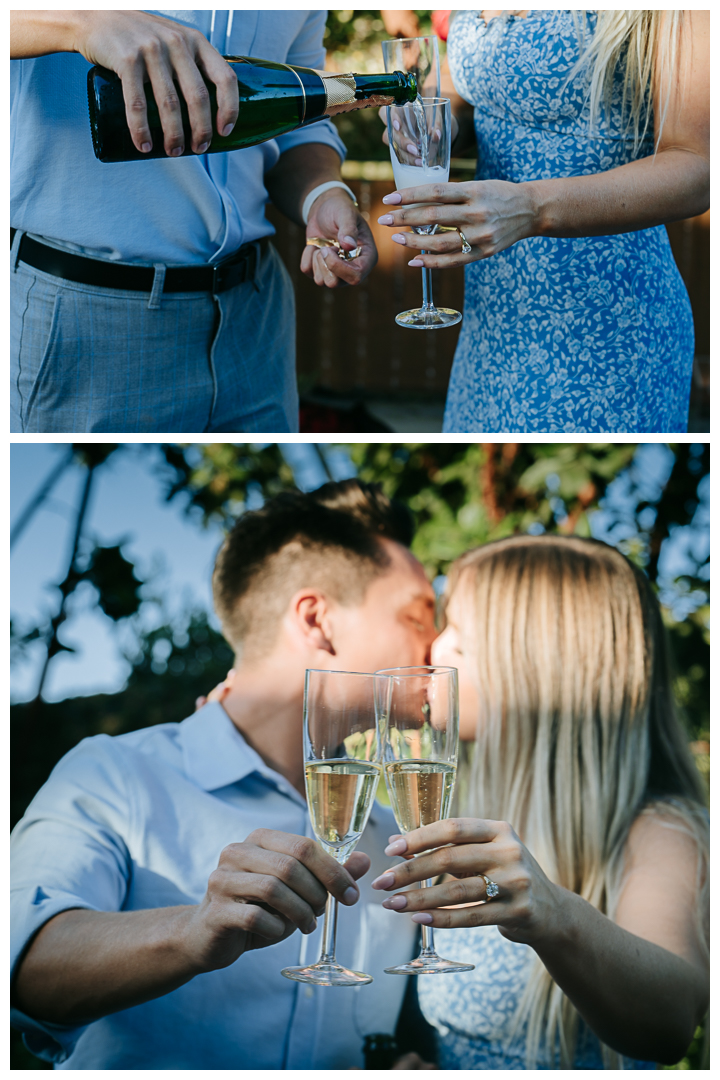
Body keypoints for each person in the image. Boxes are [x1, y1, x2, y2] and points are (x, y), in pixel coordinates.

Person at [10, 480, 439, 1069]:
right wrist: (194, 929)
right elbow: (20, 966)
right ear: (319, 620)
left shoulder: (391, 839)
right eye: (419, 615)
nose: (436, 644)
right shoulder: (115, 775)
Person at [371, 535, 709, 1068]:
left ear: (531, 666)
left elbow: (670, 1025)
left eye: (458, 634)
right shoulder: (471, 804)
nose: (435, 648)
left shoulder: (657, 831)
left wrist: (555, 914)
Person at [10, 11, 384, 435]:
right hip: (86, 326)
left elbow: (300, 115)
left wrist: (322, 193)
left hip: (257, 321)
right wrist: (82, 22)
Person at [377, 11, 710, 433]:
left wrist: (534, 205)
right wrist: (440, 125)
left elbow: (698, 167)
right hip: (494, 315)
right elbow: (482, 87)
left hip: (607, 328)